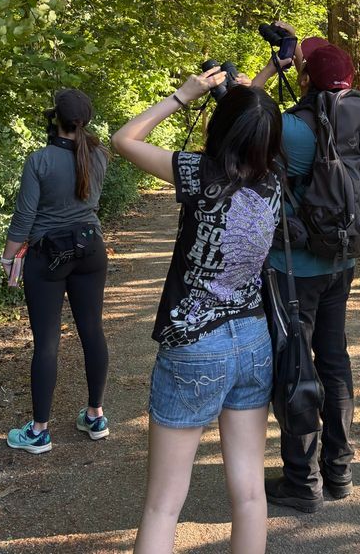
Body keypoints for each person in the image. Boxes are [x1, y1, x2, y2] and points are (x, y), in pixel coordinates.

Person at [111, 68, 283, 554]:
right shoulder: (275, 179)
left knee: (163, 505)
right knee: (250, 494)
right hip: (253, 339)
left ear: (220, 129)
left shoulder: (197, 174)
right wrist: (259, 83)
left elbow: (124, 139)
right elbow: (256, 125)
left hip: (194, 345)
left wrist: (184, 95)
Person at [252, 26, 357, 514]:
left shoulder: (293, 129)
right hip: (342, 259)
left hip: (292, 266)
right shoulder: (359, 116)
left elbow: (245, 115)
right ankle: (339, 471)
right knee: (333, 361)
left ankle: (303, 480)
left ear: (307, 79)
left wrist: (273, 68)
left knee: (296, 364)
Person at [2, 88, 111, 454]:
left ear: (55, 120)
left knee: (46, 342)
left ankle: (39, 432)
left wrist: (8, 260)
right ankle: (95, 415)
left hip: (48, 256)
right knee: (92, 331)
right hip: (91, 247)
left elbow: (24, 219)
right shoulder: (99, 155)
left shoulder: (39, 160)